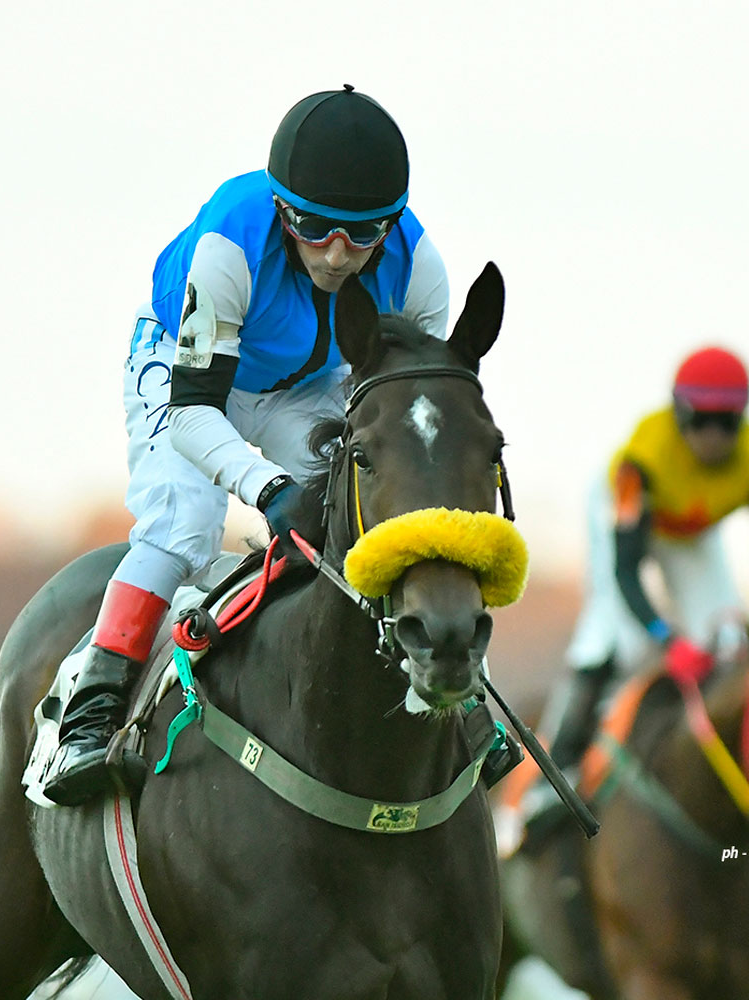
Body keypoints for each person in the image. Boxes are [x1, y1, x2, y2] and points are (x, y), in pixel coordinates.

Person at [22, 86, 452, 808]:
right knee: (182, 526)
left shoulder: (420, 269)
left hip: (302, 387)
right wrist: (264, 488)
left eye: (362, 235)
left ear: (392, 224)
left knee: (359, 504)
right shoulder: (229, 243)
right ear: (283, 209)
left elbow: (411, 420)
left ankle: (442, 689)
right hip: (186, 370)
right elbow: (194, 414)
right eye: (315, 227)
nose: (337, 255)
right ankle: (91, 708)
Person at [545, 346, 749, 768]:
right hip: (626, 516)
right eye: (701, 419)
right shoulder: (640, 461)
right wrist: (666, 639)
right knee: (615, 636)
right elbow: (626, 571)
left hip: (691, 532)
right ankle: (557, 765)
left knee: (728, 639)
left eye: (726, 421)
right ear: (679, 413)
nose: (713, 435)